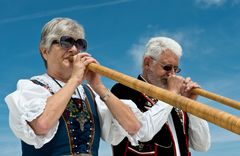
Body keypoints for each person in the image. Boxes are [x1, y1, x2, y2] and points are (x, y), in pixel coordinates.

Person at [5, 18, 185, 156]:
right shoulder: (30, 88)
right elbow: (41, 125)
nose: (74, 50)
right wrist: (75, 79)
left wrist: (99, 87)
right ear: (44, 50)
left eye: (79, 44)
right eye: (66, 42)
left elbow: (137, 128)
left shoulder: (90, 94)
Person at [111, 37, 211, 156]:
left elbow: (202, 146)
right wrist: (171, 95)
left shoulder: (175, 98)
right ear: (147, 63)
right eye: (167, 67)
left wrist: (192, 105)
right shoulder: (123, 90)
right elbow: (142, 133)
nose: (172, 74)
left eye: (176, 69)